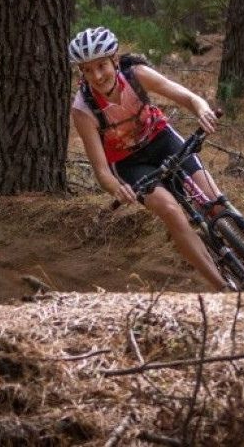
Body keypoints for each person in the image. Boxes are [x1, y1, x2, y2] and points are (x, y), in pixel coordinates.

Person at [68, 26, 233, 291]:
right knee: (171, 211)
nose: (96, 76)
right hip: (129, 163)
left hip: (161, 140)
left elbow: (188, 98)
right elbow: (102, 171)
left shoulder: (137, 75)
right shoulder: (83, 110)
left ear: (115, 59)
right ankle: (221, 286)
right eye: (88, 70)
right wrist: (117, 189)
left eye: (101, 66)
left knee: (216, 203)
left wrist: (203, 111)